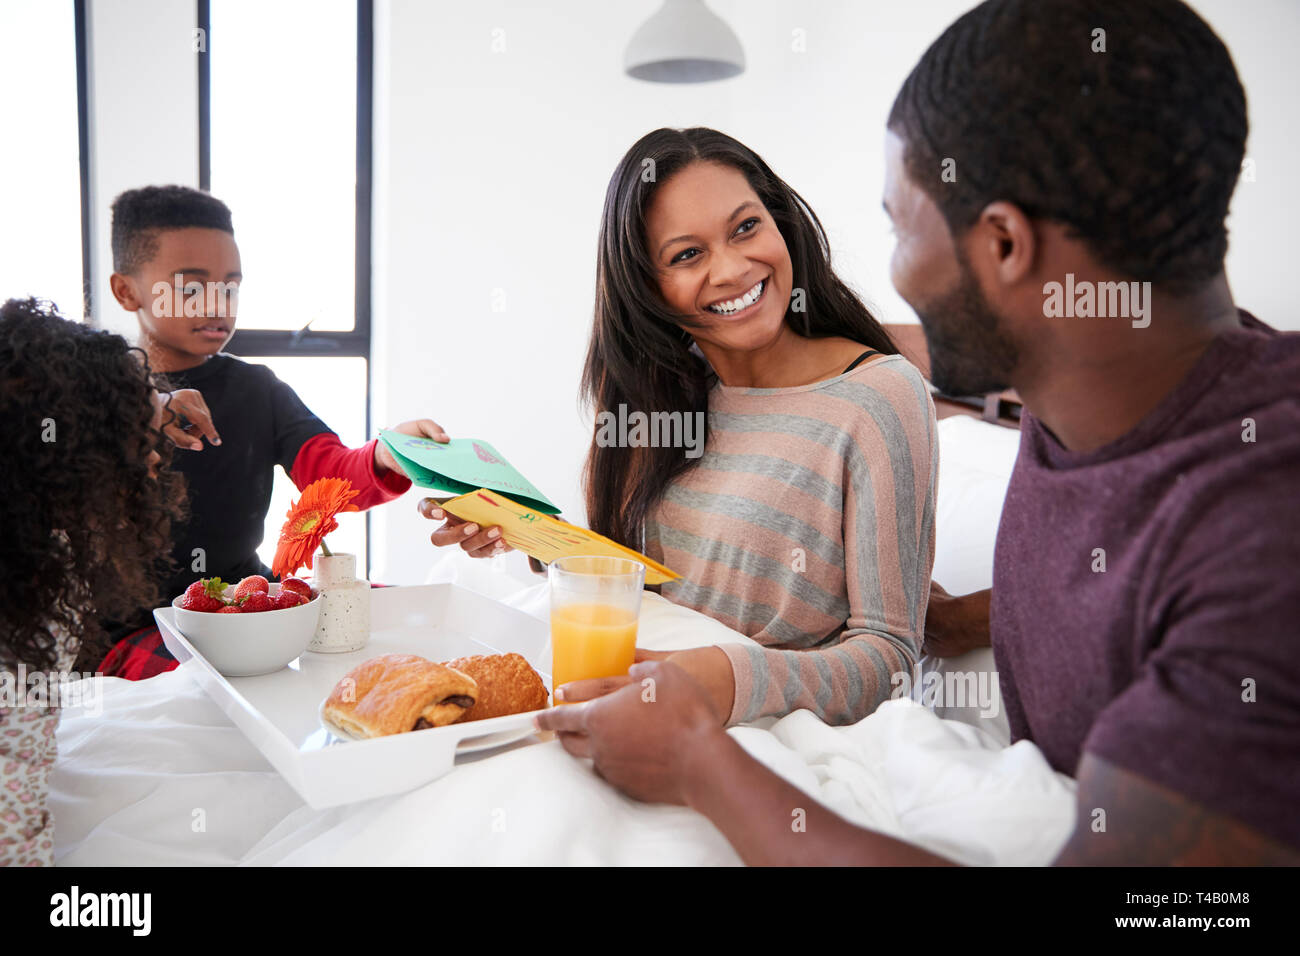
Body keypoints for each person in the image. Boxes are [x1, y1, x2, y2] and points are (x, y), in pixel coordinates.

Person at [537, 0, 1300, 864]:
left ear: (1005, 246)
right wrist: (969, 617)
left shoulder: (1263, 533)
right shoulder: (1095, 410)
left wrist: (698, 762)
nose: (889, 273)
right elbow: (1107, 582)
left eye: (900, 225)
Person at [424, 128, 938, 728]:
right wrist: (525, 533)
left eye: (746, 227)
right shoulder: (661, 395)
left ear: (781, 224)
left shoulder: (877, 397)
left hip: (760, 733)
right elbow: (643, 579)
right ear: (650, 290)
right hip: (632, 704)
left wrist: (726, 678)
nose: (733, 269)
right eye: (687, 255)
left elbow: (890, 657)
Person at [97, 185, 457, 679]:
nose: (218, 303)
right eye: (190, 286)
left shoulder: (258, 388)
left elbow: (329, 473)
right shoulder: (93, 396)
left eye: (232, 285)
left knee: (412, 619)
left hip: (253, 602)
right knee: (211, 688)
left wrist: (386, 456)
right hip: (141, 629)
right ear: (127, 291)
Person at [0, 298, 185, 865]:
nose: (156, 462)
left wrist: (155, 405)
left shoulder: (34, 547)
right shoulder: (30, 617)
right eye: (141, 442)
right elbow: (16, 824)